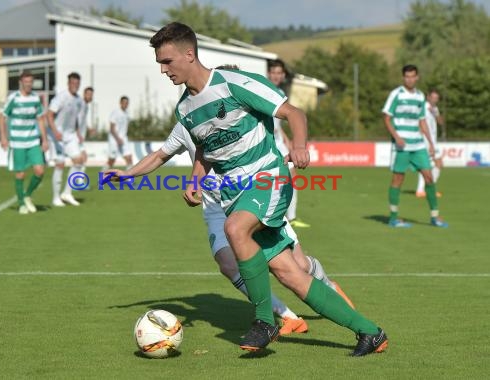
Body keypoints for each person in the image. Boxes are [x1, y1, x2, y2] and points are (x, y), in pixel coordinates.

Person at [149, 22, 386, 356]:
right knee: (290, 274)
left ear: (190, 53)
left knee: (234, 228)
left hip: (269, 178)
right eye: (160, 63)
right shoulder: (185, 109)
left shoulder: (233, 84)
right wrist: (195, 181)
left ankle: (264, 320)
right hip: (236, 196)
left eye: (167, 61)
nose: (163, 69)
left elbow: (294, 112)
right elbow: (204, 149)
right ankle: (371, 333)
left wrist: (301, 145)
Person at [109, 120, 356, 336]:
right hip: (215, 207)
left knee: (298, 266)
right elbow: (161, 154)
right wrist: (128, 174)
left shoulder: (239, 113)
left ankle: (329, 286)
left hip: (251, 197)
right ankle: (288, 316)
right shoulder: (186, 123)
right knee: (228, 264)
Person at [382, 65, 448, 228]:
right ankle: (393, 218)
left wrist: (431, 144)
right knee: (398, 179)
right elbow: (386, 117)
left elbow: (422, 121)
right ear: (403, 78)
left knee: (429, 177)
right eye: (407, 76)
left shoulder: (420, 97)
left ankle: (434, 216)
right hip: (402, 146)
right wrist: (396, 137)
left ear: (417, 77)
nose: (410, 79)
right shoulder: (396, 94)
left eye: (412, 76)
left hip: (418, 145)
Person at [267, 59, 310, 228]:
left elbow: (277, 124)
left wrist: (286, 140)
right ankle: (275, 217)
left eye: (280, 73)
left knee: (291, 178)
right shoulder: (262, 90)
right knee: (271, 181)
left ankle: (290, 218)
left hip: (279, 142)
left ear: (283, 75)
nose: (277, 76)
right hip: (268, 143)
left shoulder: (278, 92)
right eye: (274, 72)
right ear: (268, 73)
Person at [0, 70, 49, 214]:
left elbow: (40, 119)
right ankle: (21, 204)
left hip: (33, 141)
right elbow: (2, 117)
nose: (28, 85)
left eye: (30, 82)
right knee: (20, 174)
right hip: (17, 143)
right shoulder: (13, 98)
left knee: (40, 170)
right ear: (21, 82)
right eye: (26, 82)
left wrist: (44, 140)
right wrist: (3, 137)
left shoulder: (35, 98)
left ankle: (27, 196)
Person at [47, 72, 85, 207]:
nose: (75, 85)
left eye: (77, 83)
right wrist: (55, 131)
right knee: (60, 164)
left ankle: (67, 193)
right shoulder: (61, 97)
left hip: (70, 135)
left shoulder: (79, 100)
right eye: (73, 83)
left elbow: (75, 119)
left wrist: (78, 133)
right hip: (56, 135)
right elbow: (49, 114)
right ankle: (56, 198)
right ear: (68, 83)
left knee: (79, 161)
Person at [416, 89, 443, 198]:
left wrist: (436, 113)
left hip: (432, 140)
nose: (434, 100)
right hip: (426, 140)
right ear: (428, 97)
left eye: (436, 98)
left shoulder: (434, 108)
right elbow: (419, 122)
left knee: (431, 164)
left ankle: (425, 189)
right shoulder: (423, 107)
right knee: (435, 163)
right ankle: (425, 189)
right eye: (433, 97)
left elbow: (440, 122)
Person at [106, 96, 133, 169]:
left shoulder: (127, 113)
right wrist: (117, 139)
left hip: (123, 138)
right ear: (120, 103)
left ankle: (129, 179)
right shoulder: (115, 112)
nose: (125, 104)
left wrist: (124, 137)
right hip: (114, 138)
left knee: (129, 158)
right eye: (124, 103)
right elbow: (112, 128)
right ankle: (102, 175)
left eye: (127, 103)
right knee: (112, 160)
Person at [77, 87, 94, 189]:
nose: (90, 96)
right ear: (84, 94)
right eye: (88, 94)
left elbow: (82, 120)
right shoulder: (81, 104)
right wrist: (78, 133)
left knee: (81, 159)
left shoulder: (86, 106)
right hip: (76, 137)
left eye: (91, 95)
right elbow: (75, 120)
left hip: (79, 136)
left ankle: (78, 182)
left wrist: (88, 128)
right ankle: (78, 183)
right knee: (83, 158)